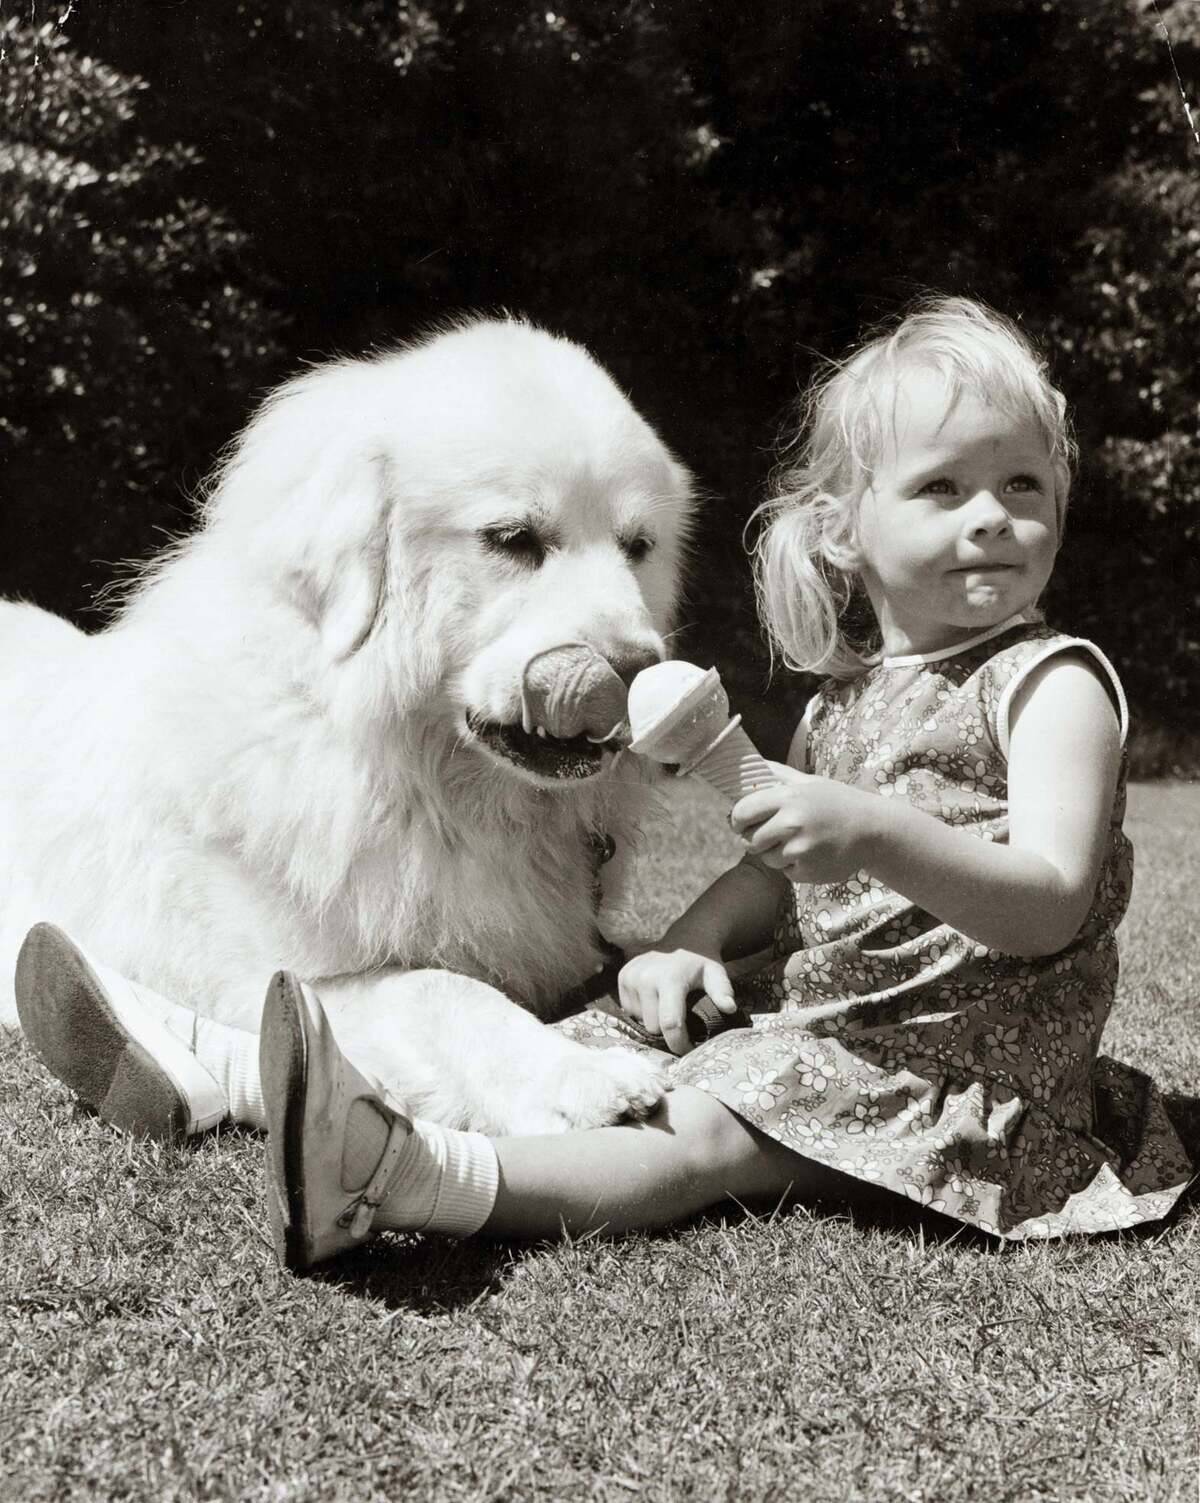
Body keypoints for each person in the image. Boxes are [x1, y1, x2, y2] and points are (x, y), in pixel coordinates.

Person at [18, 295, 1193, 1270]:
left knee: (690, 1140)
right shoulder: (853, 701)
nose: (630, 634)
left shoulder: (1053, 686)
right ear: (349, 562)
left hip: (947, 1070)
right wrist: (686, 938)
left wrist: (870, 836)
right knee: (623, 1026)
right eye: (519, 540)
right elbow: (770, 877)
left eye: (634, 549)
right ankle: (222, 1065)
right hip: (851, 1014)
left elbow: (1047, 895)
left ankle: (416, 1174)